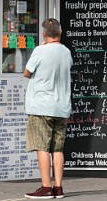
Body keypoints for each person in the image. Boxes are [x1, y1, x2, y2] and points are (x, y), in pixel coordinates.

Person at [23, 18, 73, 199]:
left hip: (41, 106)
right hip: (62, 107)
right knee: (57, 149)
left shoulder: (40, 51)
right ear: (60, 33)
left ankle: (45, 187)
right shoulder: (66, 52)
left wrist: (42, 47)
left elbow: (26, 73)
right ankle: (58, 188)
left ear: (43, 34)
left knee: (42, 147)